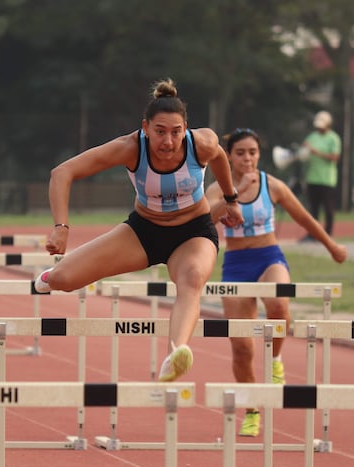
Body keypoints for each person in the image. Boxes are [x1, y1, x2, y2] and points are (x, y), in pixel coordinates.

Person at [34, 78, 243, 382]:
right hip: (144, 231)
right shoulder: (130, 148)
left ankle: (177, 353)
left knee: (192, 279)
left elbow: (221, 157)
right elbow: (62, 172)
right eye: (160, 132)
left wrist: (231, 198)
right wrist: (61, 227)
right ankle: (51, 275)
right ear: (145, 128)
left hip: (193, 233)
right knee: (64, 279)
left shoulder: (202, 144)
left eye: (176, 133)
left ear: (186, 129)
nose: (168, 142)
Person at [206, 128, 346, 437]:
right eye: (240, 153)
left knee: (279, 305)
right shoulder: (218, 188)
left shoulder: (273, 185)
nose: (247, 158)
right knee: (242, 348)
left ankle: (277, 359)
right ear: (229, 156)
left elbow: (305, 218)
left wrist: (332, 246)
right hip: (236, 266)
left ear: (259, 154)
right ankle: (252, 409)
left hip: (269, 257)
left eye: (252, 152)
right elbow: (204, 218)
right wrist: (237, 190)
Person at [301, 110, 341, 241]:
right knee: (313, 209)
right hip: (312, 178)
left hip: (327, 180)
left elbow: (334, 157)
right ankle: (312, 234)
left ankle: (328, 234)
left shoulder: (333, 138)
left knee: (328, 209)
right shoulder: (312, 137)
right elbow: (304, 153)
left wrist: (316, 152)